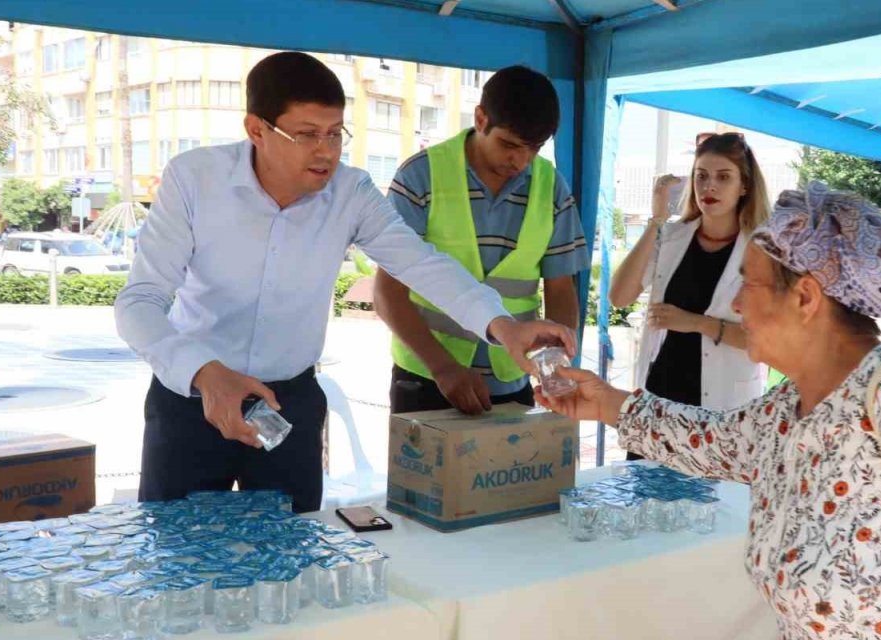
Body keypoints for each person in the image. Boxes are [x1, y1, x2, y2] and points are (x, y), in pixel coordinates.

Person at [538, 183, 881, 639]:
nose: (733, 304)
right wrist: (606, 403)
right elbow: (720, 440)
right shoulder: (791, 403)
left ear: (805, 298)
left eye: (747, 284)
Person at [115, 52, 572, 513]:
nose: (327, 151)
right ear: (256, 130)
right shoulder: (194, 179)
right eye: (307, 134)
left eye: (336, 133)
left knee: (290, 562)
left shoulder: (350, 192)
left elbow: (422, 264)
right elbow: (139, 303)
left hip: (287, 403)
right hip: (190, 399)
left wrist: (503, 326)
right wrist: (204, 373)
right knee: (177, 558)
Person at [375, 65, 589, 415]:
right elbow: (387, 293)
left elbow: (561, 288)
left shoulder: (552, 188)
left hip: (513, 378)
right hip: (425, 376)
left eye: (533, 149)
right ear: (480, 118)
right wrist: (442, 366)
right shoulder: (419, 176)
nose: (519, 160)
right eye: (508, 144)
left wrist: (555, 366)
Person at [609, 132, 770, 460]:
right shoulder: (671, 236)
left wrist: (697, 323)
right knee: (645, 499)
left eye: (723, 177)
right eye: (702, 176)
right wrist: (656, 220)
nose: (709, 187)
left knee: (708, 507)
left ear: (744, 186)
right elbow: (619, 296)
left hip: (720, 407)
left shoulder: (763, 250)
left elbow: (768, 341)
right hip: (660, 396)